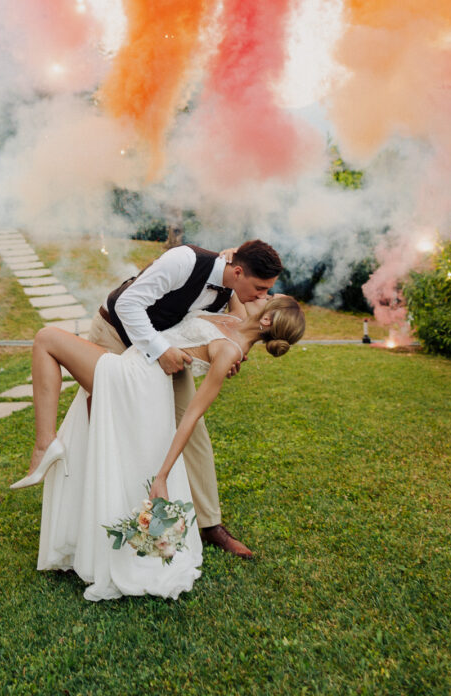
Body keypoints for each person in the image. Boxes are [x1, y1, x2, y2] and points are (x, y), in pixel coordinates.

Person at [13, 291, 305, 601]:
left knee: (46, 339)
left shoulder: (231, 352)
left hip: (137, 380)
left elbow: (191, 417)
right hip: (137, 365)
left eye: (267, 297)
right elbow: (236, 286)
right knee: (100, 441)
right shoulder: (235, 318)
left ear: (266, 319)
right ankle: (85, 530)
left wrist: (163, 474)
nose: (262, 295)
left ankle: (45, 445)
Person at [29, 239, 283, 559]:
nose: (261, 296)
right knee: (104, 428)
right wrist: (162, 351)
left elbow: (230, 331)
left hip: (169, 352)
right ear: (237, 272)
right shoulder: (183, 261)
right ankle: (92, 520)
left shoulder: (233, 289)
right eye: (260, 288)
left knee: (194, 432)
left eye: (266, 291)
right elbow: (128, 305)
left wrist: (227, 354)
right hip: (118, 336)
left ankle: (210, 524)